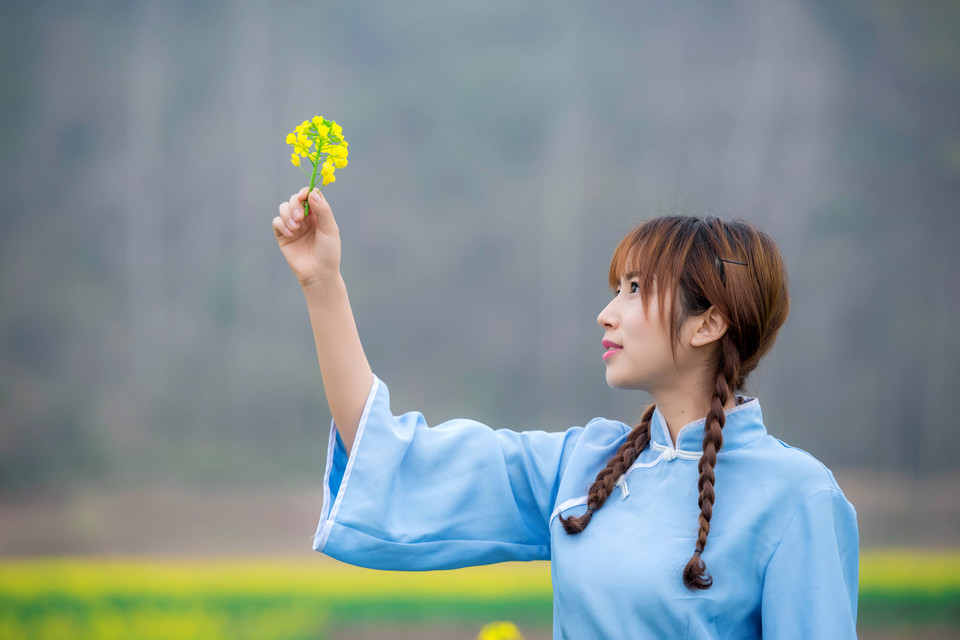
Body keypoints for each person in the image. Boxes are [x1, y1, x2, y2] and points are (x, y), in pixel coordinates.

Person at [273, 187, 860, 638]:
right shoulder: (582, 468)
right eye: (617, 288)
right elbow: (396, 458)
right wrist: (322, 282)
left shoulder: (798, 498)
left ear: (708, 323)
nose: (607, 313)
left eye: (635, 290)